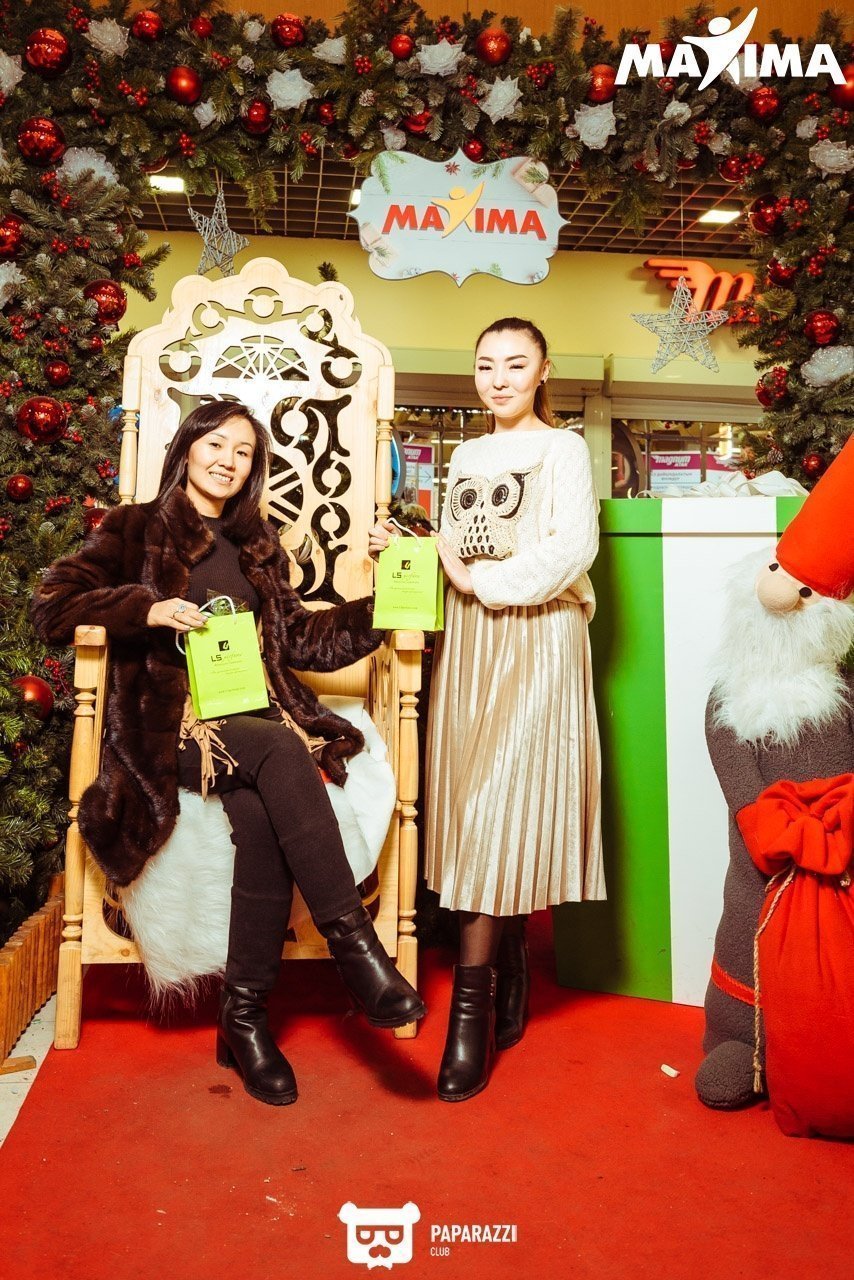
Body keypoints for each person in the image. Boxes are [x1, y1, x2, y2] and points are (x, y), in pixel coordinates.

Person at [32, 398, 425, 1107]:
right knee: (278, 750)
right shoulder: (136, 527)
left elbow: (302, 642)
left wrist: (389, 600)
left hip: (250, 723)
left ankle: (243, 1020)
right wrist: (145, 608)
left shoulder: (258, 545)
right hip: (170, 729)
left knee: (263, 814)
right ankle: (357, 951)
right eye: (216, 444)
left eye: (243, 452)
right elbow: (51, 604)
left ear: (253, 468)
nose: (228, 460)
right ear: (188, 447)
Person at [370, 317, 605, 1101]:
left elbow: (572, 548)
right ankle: (508, 962)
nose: (499, 378)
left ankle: (466, 1017)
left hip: (536, 634)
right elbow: (456, 546)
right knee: (472, 805)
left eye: (515, 364)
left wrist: (482, 583)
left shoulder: (563, 449)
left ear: (544, 371)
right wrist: (407, 550)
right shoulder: (467, 456)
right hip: (471, 640)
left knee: (504, 800)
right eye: (486, 365)